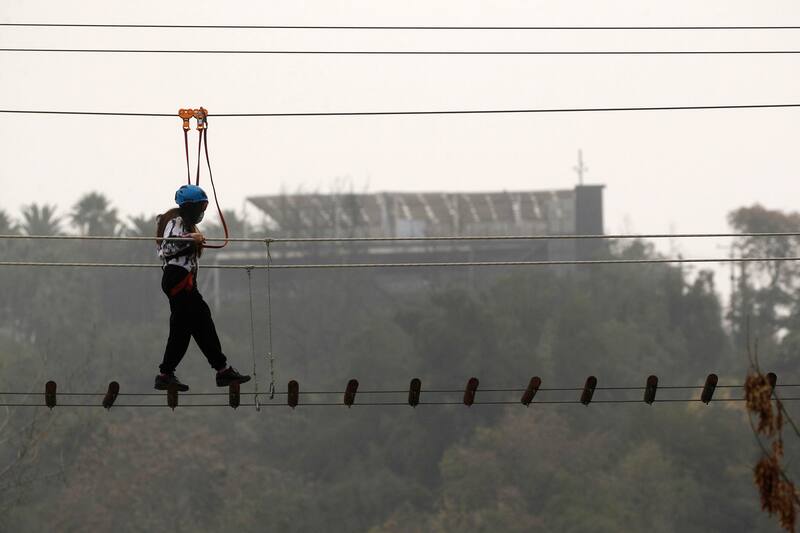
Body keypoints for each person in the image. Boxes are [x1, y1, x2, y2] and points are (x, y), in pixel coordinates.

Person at [154, 184, 251, 391]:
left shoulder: (186, 224)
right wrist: (193, 238)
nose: (202, 212)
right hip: (177, 279)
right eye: (200, 207)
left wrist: (193, 236)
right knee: (197, 324)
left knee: (191, 328)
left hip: (184, 281)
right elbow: (167, 246)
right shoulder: (176, 221)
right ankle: (219, 370)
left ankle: (217, 370)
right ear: (189, 207)